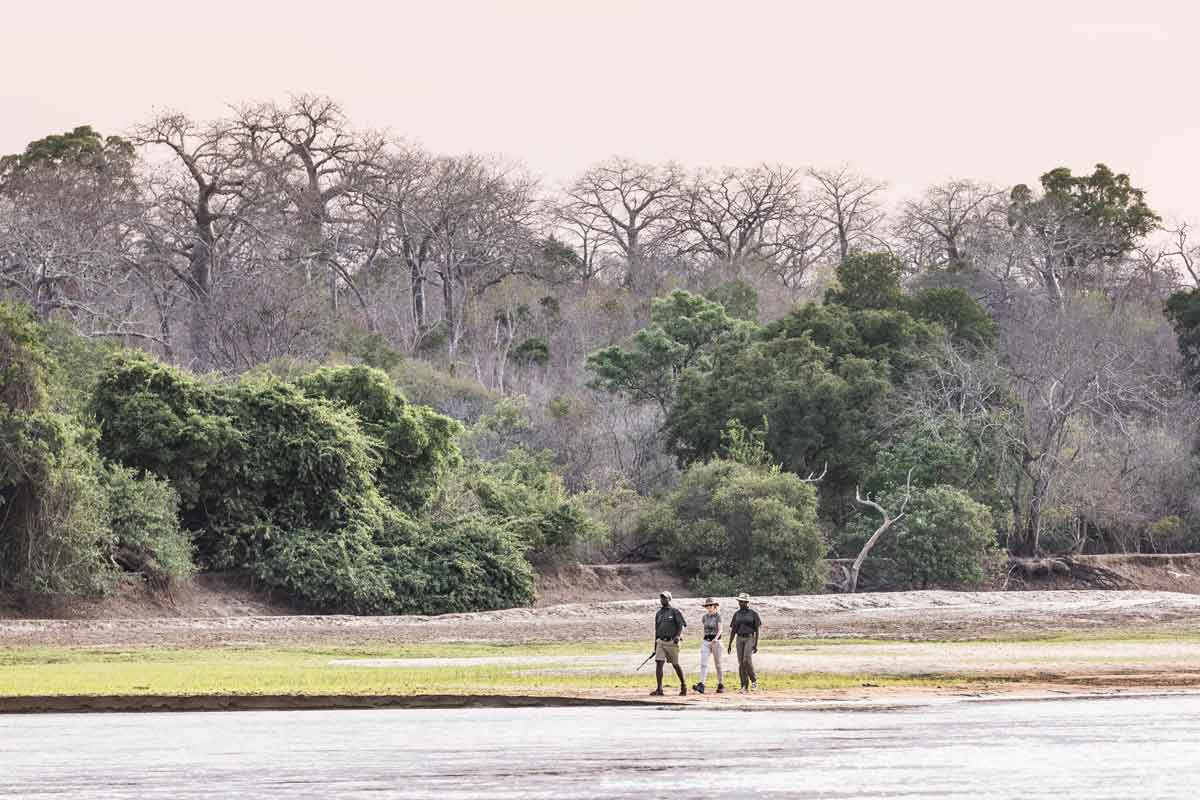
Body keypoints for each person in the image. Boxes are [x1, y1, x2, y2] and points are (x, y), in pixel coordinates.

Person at [651, 590, 687, 696]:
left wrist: (678, 636)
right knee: (659, 663)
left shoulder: (675, 611)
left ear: (669, 599)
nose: (662, 599)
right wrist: (655, 645)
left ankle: (684, 686)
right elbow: (656, 630)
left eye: (665, 598)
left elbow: (681, 625)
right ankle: (659, 689)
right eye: (661, 598)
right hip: (661, 642)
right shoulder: (658, 613)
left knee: (675, 664)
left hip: (672, 642)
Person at [726, 592, 762, 693]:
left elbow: (757, 630)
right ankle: (744, 686)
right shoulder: (736, 614)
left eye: (743, 602)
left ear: (747, 602)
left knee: (746, 660)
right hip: (739, 638)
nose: (741, 603)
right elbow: (733, 630)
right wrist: (729, 644)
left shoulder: (753, 614)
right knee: (741, 663)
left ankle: (754, 680)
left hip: (749, 638)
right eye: (740, 601)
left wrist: (756, 644)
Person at [692, 597, 725, 694]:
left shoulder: (718, 616)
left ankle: (720, 684)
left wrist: (716, 638)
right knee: (703, 663)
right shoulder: (705, 617)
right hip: (706, 640)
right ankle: (701, 684)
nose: (709, 607)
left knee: (718, 664)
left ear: (714, 606)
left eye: (710, 605)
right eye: (707, 606)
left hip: (716, 641)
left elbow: (720, 629)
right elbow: (705, 629)